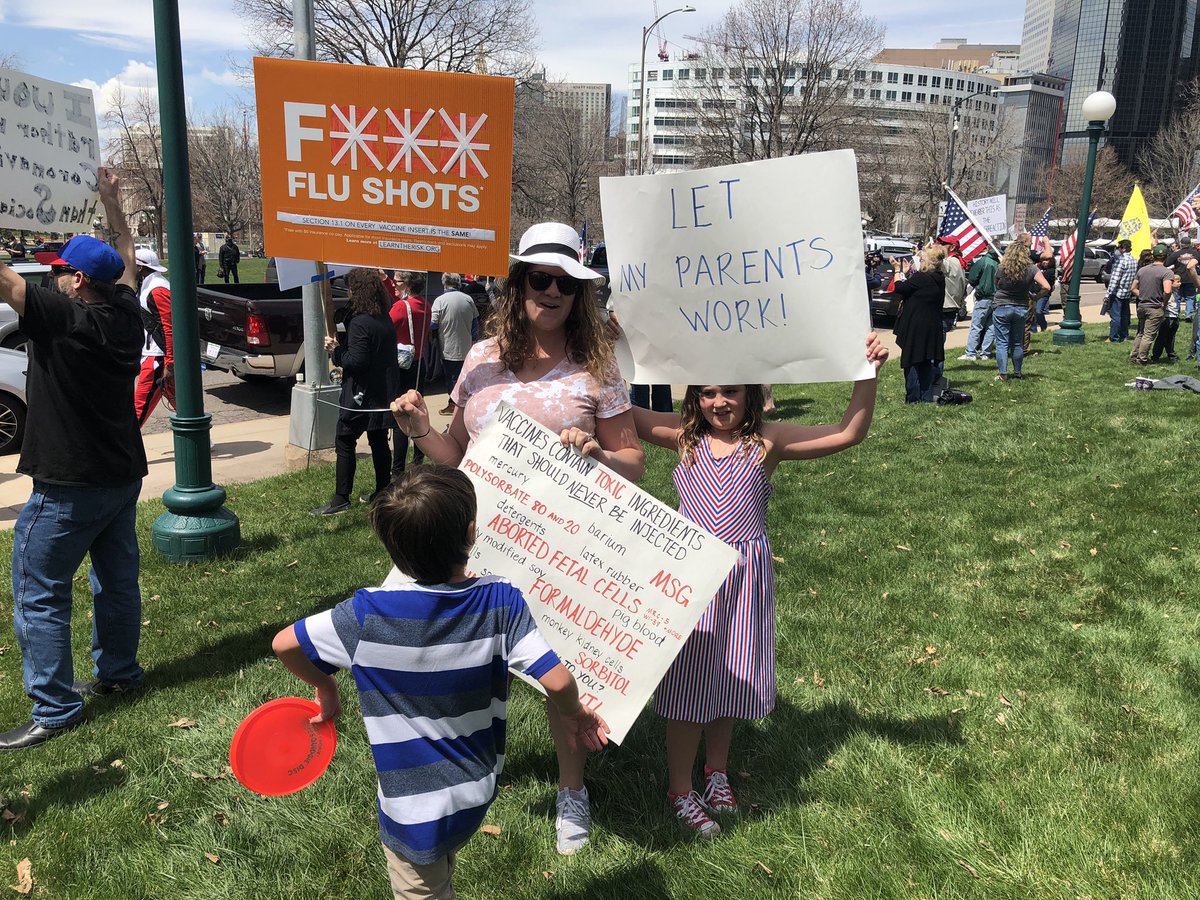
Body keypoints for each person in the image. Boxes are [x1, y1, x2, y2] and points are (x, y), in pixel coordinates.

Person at [390, 221, 644, 855]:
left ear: (579, 292)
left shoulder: (598, 366)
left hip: (566, 546)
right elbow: (455, 456)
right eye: (541, 278)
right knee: (468, 662)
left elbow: (634, 458)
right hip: (479, 539)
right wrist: (422, 428)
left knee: (563, 673)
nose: (552, 291)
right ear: (518, 282)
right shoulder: (479, 361)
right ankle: (470, 772)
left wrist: (598, 455)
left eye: (566, 282)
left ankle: (572, 789)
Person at [273, 465, 608, 898]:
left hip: (412, 813)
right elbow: (559, 682)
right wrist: (576, 715)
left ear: (392, 548)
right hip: (475, 792)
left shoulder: (365, 614)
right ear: (471, 533)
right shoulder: (500, 599)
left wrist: (326, 686)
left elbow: (285, 645)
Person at [628, 337, 888, 836]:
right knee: (687, 689)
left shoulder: (767, 440)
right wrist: (614, 345)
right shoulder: (684, 437)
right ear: (694, 399)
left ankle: (716, 772)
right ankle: (680, 790)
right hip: (691, 579)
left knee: (728, 683)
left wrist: (866, 372)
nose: (719, 402)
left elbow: (848, 433)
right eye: (707, 393)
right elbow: (620, 408)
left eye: (729, 391)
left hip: (746, 582)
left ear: (749, 393)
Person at [0, 168, 148, 750]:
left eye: (59, 271)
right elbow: (128, 259)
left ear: (78, 280)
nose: (52, 277)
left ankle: (55, 709)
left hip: (68, 483)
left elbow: (6, 282)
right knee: (117, 582)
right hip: (120, 476)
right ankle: (119, 674)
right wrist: (112, 204)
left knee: (38, 589)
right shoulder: (126, 312)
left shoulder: (65, 317)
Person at [313, 268, 401, 516]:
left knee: (344, 439)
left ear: (357, 291)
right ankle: (383, 489)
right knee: (378, 439)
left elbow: (357, 361)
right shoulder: (382, 317)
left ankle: (341, 498)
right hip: (381, 391)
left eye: (350, 288)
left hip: (361, 394)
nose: (348, 292)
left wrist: (336, 351)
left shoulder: (362, 322)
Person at [387, 270, 432, 478]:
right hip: (419, 363)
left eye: (397, 282)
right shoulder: (425, 306)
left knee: (401, 413)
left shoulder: (400, 307)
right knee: (417, 409)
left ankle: (397, 469)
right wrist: (387, 281)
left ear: (407, 284)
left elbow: (387, 329)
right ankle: (418, 459)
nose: (394, 285)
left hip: (401, 365)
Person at [892, 245, 946, 403]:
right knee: (925, 363)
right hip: (931, 325)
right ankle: (926, 396)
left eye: (921, 259)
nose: (918, 262)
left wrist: (897, 270)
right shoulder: (938, 277)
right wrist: (909, 273)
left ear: (927, 262)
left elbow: (900, 288)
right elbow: (914, 289)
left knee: (912, 361)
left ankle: (913, 398)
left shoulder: (921, 278)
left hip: (916, 325)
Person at [992, 240, 1050, 381]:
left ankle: (1003, 374)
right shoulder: (1031, 268)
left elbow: (997, 284)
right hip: (1021, 307)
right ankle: (1018, 372)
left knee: (1002, 343)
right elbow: (1047, 287)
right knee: (1017, 342)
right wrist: (1035, 297)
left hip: (1001, 306)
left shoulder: (1002, 267)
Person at [132, 248, 174, 426]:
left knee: (140, 403)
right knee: (177, 397)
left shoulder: (157, 290)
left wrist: (169, 362)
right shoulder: (149, 284)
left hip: (157, 355)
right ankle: (201, 439)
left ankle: (126, 444)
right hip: (155, 353)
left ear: (141, 267)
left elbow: (169, 327)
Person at [429, 273, 479, 417]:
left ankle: (454, 405)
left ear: (444, 283)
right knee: (464, 376)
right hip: (467, 346)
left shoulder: (440, 300)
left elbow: (433, 324)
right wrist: (474, 340)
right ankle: (463, 404)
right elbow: (475, 324)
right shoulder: (468, 299)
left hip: (448, 346)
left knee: (451, 378)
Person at [1129, 244, 1174, 366]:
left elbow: (1133, 288)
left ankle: (1133, 356)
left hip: (1142, 306)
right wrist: (1164, 303)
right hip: (1155, 307)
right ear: (1166, 257)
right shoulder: (1167, 272)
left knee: (1141, 333)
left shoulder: (1142, 270)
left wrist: (1143, 295)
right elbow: (1168, 290)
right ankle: (1141, 359)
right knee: (1149, 335)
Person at [961, 245, 999, 361]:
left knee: (976, 326)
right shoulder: (999, 263)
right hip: (996, 298)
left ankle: (971, 353)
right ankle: (985, 353)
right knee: (990, 327)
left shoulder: (983, 261)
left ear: (987, 249)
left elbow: (972, 278)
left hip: (984, 297)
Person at [1104, 240, 1136, 343]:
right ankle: (1124, 335)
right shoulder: (1134, 260)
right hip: (1127, 292)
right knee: (1125, 315)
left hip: (1118, 292)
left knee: (1115, 316)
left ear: (1123, 248)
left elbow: (1115, 279)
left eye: (1119, 248)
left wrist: (1108, 293)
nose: (1118, 250)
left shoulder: (1121, 260)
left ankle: (1114, 337)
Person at [1165, 233, 1197, 322]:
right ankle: (1188, 315)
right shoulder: (1195, 253)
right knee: (1190, 297)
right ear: (1190, 244)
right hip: (1191, 278)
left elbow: (1167, 263)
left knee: (1177, 297)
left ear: (1181, 244)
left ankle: (1176, 314)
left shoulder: (1177, 253)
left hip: (1178, 278)